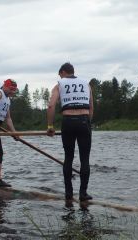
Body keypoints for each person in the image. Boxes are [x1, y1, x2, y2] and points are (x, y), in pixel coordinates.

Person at [47, 62, 94, 201]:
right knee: (85, 159)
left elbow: (51, 106)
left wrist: (50, 126)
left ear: (62, 72)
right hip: (84, 121)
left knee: (69, 158)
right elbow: (91, 107)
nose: (60, 77)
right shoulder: (86, 84)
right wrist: (88, 123)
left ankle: (68, 194)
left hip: (67, 121)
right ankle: (83, 194)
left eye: (60, 74)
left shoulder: (59, 85)